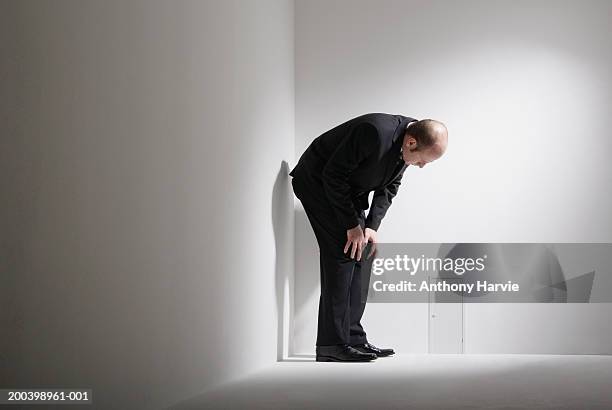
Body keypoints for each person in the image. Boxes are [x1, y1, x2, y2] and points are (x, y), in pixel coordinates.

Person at [290, 112, 448, 362]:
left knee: (363, 251)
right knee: (343, 252)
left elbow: (390, 186)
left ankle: (353, 338)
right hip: (317, 183)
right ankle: (332, 344)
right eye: (422, 161)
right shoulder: (373, 132)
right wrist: (351, 224)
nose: (421, 166)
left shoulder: (414, 136)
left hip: (346, 191)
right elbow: (333, 175)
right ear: (411, 143)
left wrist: (371, 226)